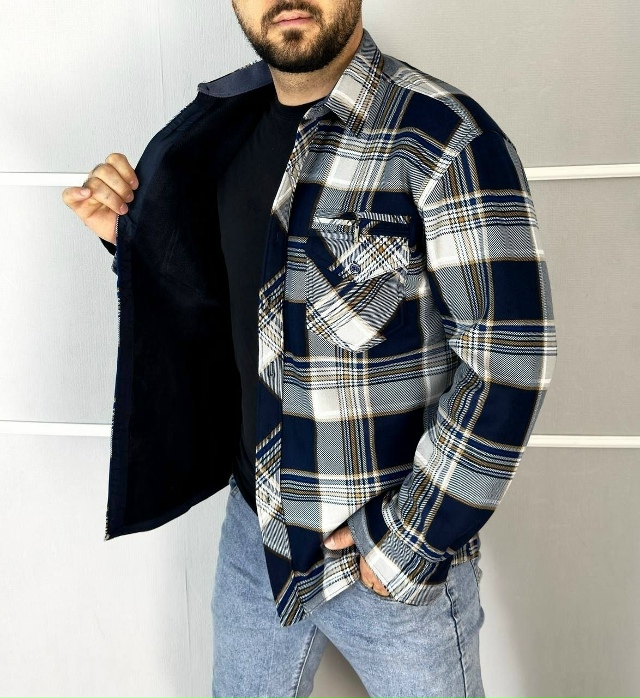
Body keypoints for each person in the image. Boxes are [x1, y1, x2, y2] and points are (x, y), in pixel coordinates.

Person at [62, 1, 557, 696]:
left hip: (385, 550)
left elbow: (510, 361)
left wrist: (410, 541)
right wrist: (133, 240)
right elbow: (235, 307)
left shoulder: (445, 137)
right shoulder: (220, 132)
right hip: (255, 533)